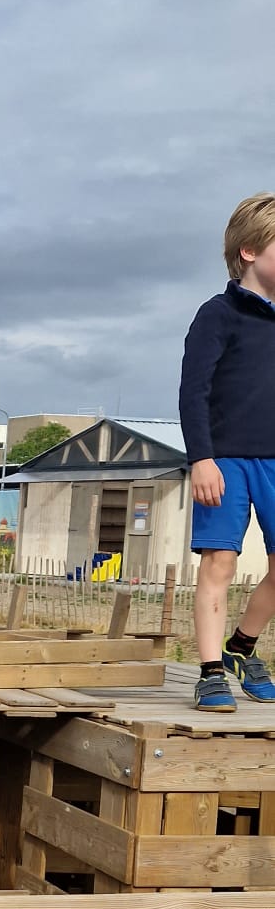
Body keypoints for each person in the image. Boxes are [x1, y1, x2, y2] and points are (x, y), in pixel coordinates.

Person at [179, 193, 275, 711]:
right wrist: (201, 457)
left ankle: (242, 646)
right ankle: (212, 671)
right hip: (226, 462)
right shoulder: (217, 315)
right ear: (250, 253)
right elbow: (194, 392)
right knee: (220, 560)